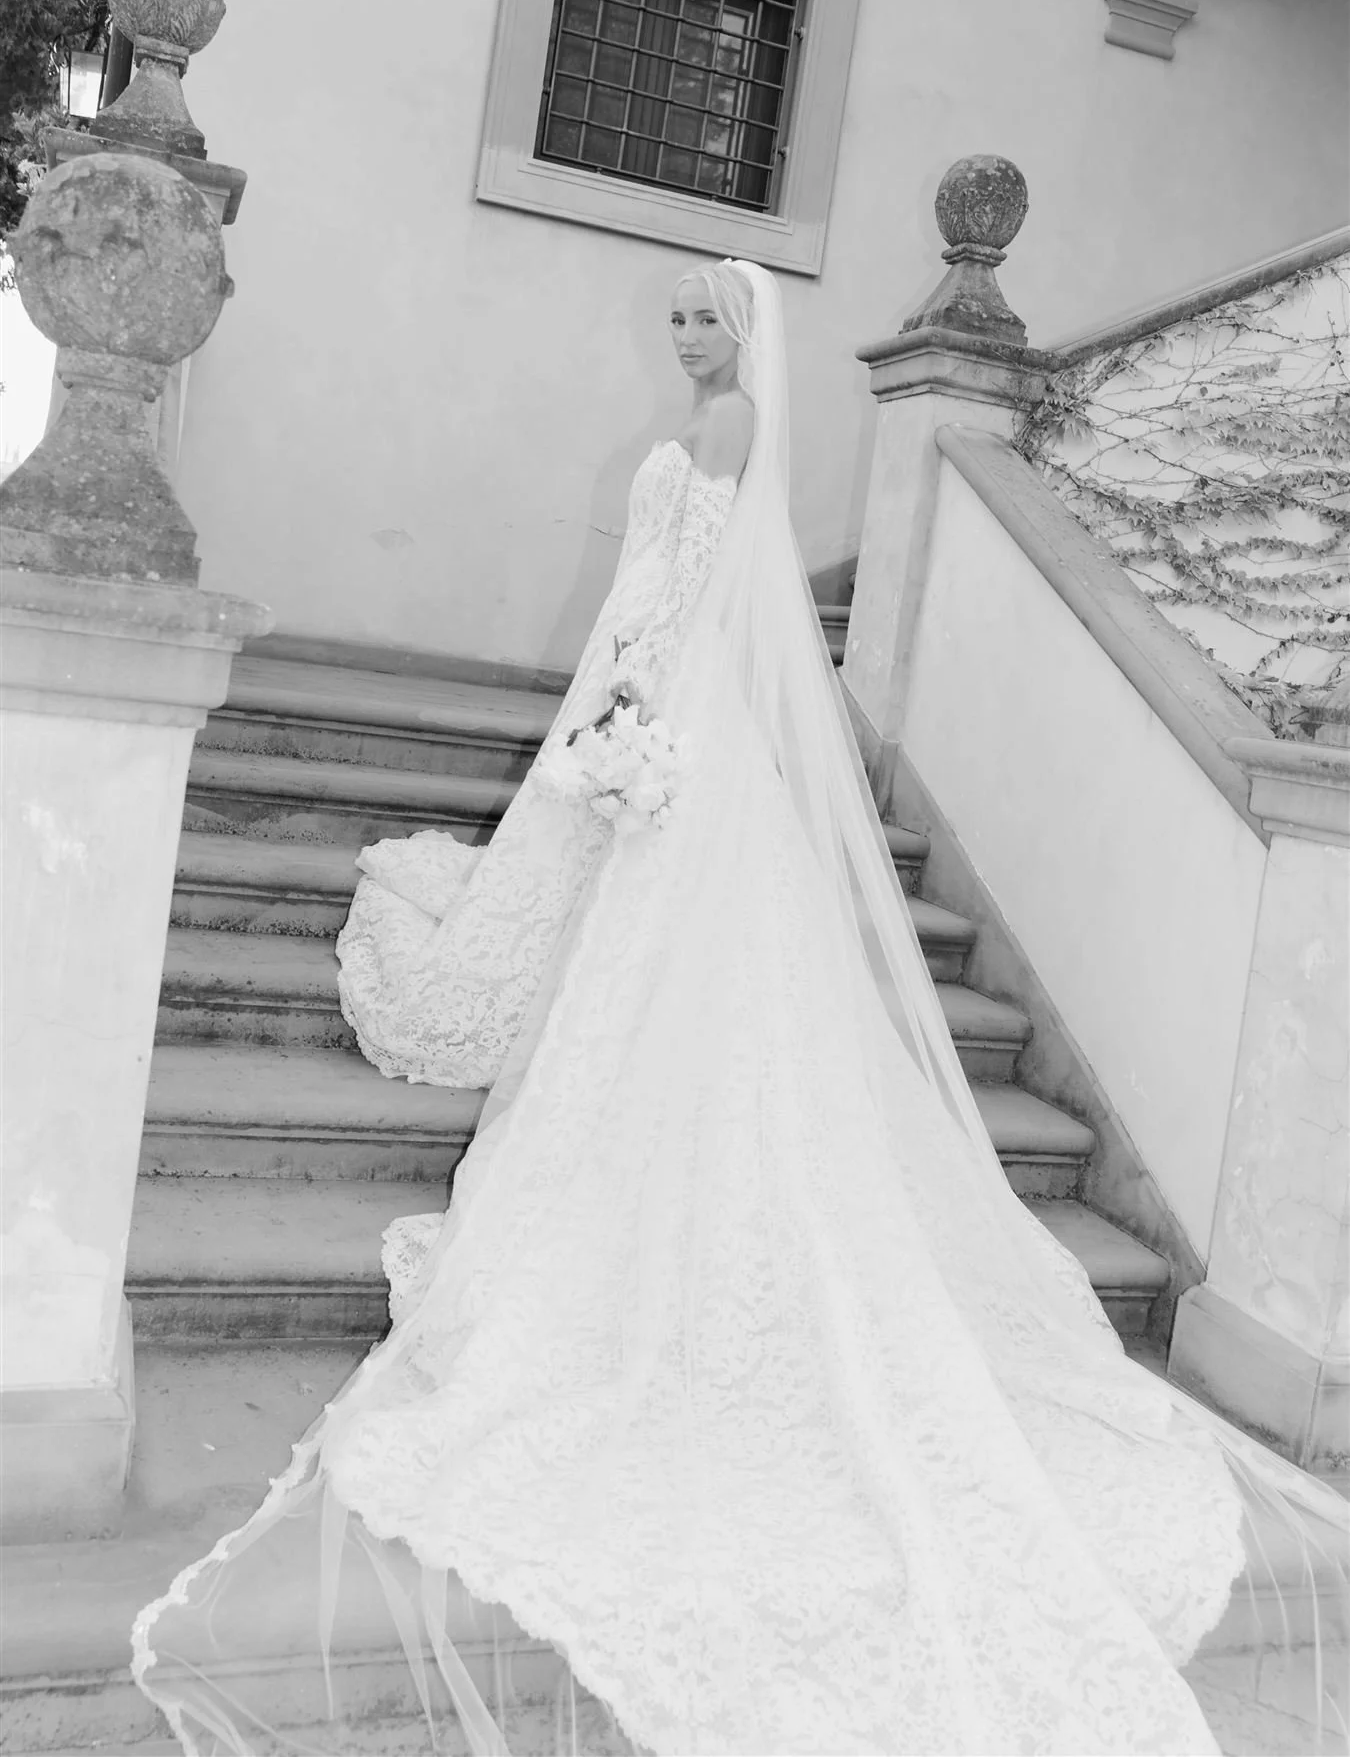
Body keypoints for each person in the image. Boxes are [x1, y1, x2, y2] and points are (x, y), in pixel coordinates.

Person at [134, 260, 1343, 1757]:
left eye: (707, 319)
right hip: (662, 710)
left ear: (746, 328)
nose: (690, 339)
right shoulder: (717, 423)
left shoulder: (723, 432)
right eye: (678, 322)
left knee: (673, 949)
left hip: (669, 708)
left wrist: (621, 712)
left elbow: (678, 592)